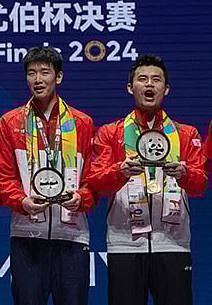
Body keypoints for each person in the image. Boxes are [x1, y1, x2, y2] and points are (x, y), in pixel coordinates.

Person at [86, 55, 208, 305]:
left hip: (173, 244)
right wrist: (120, 172)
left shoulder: (186, 134)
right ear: (130, 87)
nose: (149, 85)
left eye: (156, 80)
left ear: (167, 89)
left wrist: (185, 175)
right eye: (142, 79)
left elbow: (201, 185)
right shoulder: (111, 133)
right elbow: (96, 182)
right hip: (125, 244)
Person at [0, 46, 96, 305]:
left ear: (58, 77)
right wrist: (21, 201)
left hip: (72, 234)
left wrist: (81, 197)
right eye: (31, 73)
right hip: (27, 235)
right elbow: (4, 177)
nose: (38, 80)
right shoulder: (10, 122)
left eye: (44, 73)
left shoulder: (82, 122)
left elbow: (93, 179)